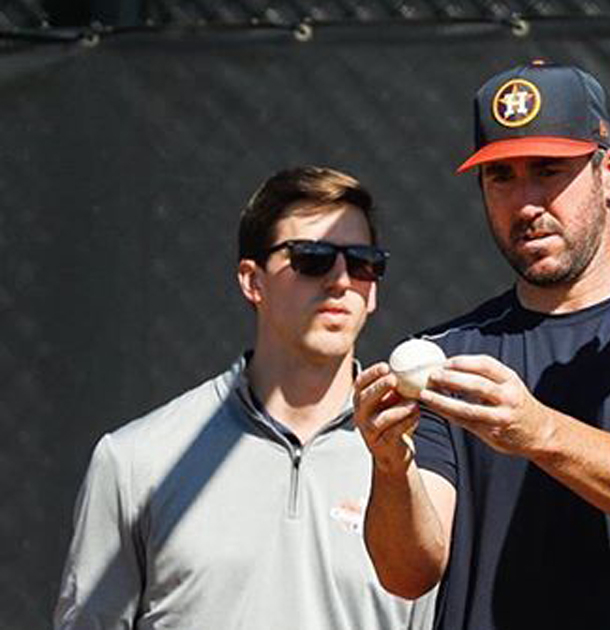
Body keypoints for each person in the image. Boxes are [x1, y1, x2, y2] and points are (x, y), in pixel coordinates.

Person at [352, 61, 610, 629]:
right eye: (503, 177)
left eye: (548, 170)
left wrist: (538, 430)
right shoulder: (448, 355)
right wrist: (392, 468)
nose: (526, 204)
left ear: (609, 171)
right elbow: (408, 573)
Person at [54, 167, 435, 630]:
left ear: (373, 290)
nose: (340, 280)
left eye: (362, 262)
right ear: (252, 281)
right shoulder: (136, 462)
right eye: (311, 258)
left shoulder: (425, 469)